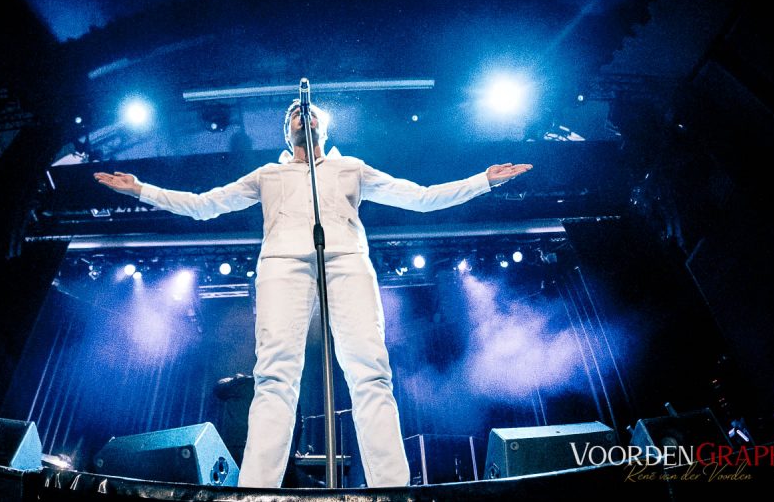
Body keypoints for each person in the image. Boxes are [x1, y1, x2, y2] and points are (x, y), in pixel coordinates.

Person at [94, 101, 532, 487]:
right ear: (287, 133)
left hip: (346, 260)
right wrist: (141, 190)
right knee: (274, 379)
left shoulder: (352, 168)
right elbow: (205, 204)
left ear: (324, 125)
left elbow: (421, 198)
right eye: (292, 115)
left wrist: (483, 181)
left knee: (371, 372)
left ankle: (393, 487)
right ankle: (256, 491)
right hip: (282, 266)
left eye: (307, 111)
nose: (300, 115)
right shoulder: (268, 174)